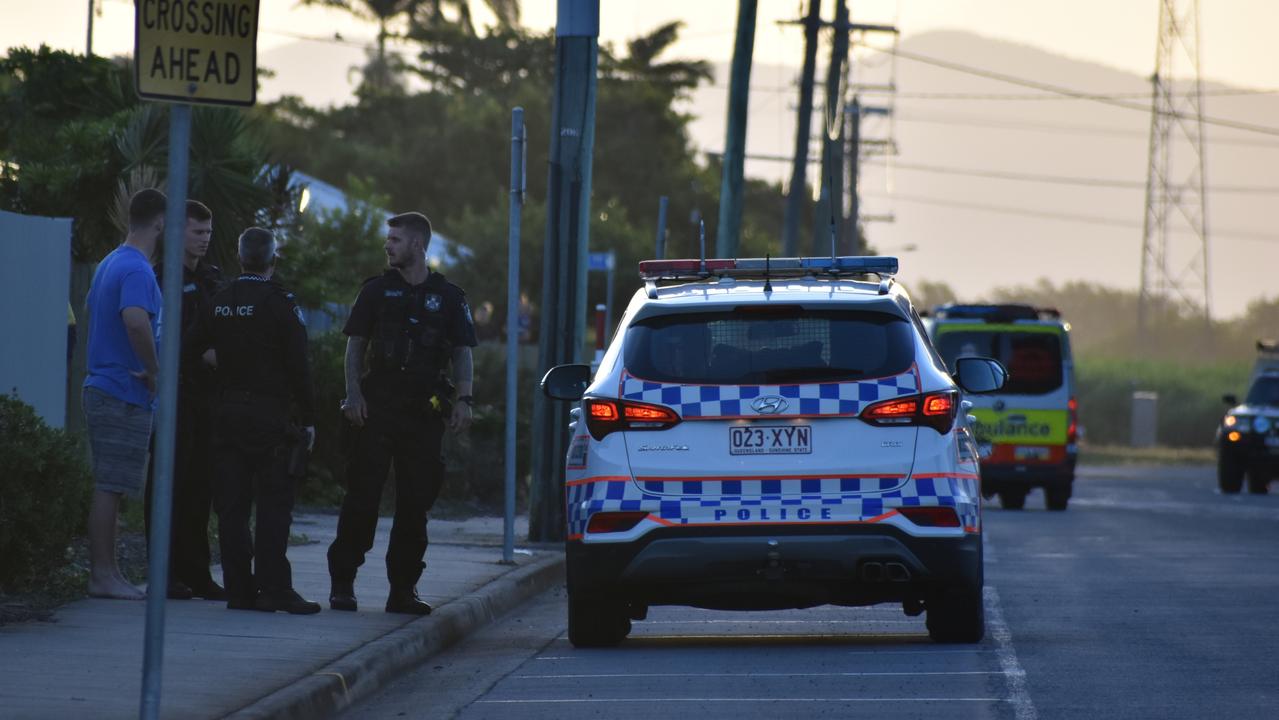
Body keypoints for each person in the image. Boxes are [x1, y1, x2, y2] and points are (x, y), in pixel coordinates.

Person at [327, 211, 476, 615]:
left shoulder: (448, 297)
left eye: (395, 239)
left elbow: (462, 353)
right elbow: (355, 345)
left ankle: (403, 590)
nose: (387, 245)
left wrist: (463, 401)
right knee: (362, 497)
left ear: (417, 244)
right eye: (388, 239)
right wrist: (353, 394)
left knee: (415, 504)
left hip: (423, 413)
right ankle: (343, 582)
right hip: (377, 407)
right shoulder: (376, 291)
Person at [191, 227, 319, 614]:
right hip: (268, 416)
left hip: (226, 414)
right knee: (273, 504)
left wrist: (220, 365)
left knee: (231, 507)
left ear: (240, 257)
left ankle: (239, 591)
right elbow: (300, 365)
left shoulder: (220, 299)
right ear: (272, 260)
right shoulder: (280, 303)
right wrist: (310, 418)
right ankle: (274, 588)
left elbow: (190, 349)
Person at [82, 188, 166, 600]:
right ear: (160, 223)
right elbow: (135, 321)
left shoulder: (109, 262)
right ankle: (102, 575)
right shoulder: (137, 269)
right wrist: (154, 371)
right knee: (110, 485)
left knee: (111, 485)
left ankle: (109, 573)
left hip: (105, 386)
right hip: (120, 390)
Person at [143, 200, 225, 601]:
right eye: (198, 232)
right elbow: (164, 336)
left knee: (201, 486)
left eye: (208, 233)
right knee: (168, 482)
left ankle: (197, 572)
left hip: (208, 397)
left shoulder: (212, 278)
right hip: (176, 392)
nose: (205, 240)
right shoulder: (162, 277)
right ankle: (165, 571)